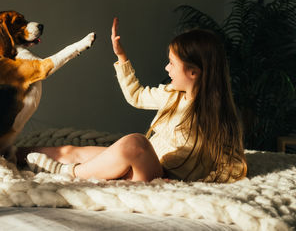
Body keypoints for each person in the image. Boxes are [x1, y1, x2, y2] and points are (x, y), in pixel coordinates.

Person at [17, 18, 247, 183]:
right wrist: (121, 57)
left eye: (172, 64)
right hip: (147, 162)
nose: (167, 68)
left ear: (194, 73)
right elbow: (136, 96)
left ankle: (69, 173)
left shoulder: (214, 115)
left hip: (157, 173)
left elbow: (230, 162)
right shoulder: (172, 94)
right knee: (71, 150)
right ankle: (13, 154)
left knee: (135, 143)